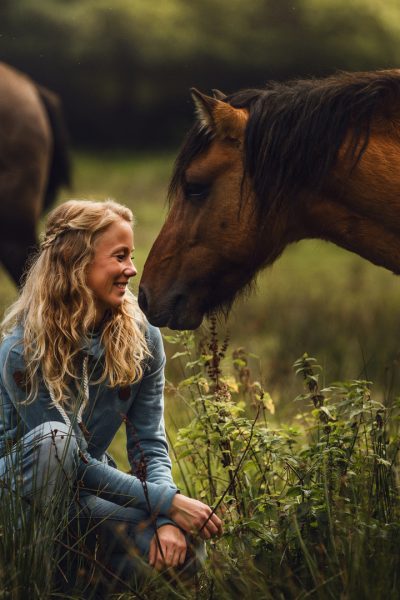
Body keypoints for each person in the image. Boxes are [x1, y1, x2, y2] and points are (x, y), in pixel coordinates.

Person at [0, 199, 222, 587]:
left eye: (131, 256)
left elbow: (150, 445)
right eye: (120, 257)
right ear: (76, 264)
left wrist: (168, 519)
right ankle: (25, 579)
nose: (132, 270)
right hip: (16, 503)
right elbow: (69, 460)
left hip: (83, 504)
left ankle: (75, 586)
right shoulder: (22, 351)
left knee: (185, 543)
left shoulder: (144, 339)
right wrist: (166, 501)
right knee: (58, 440)